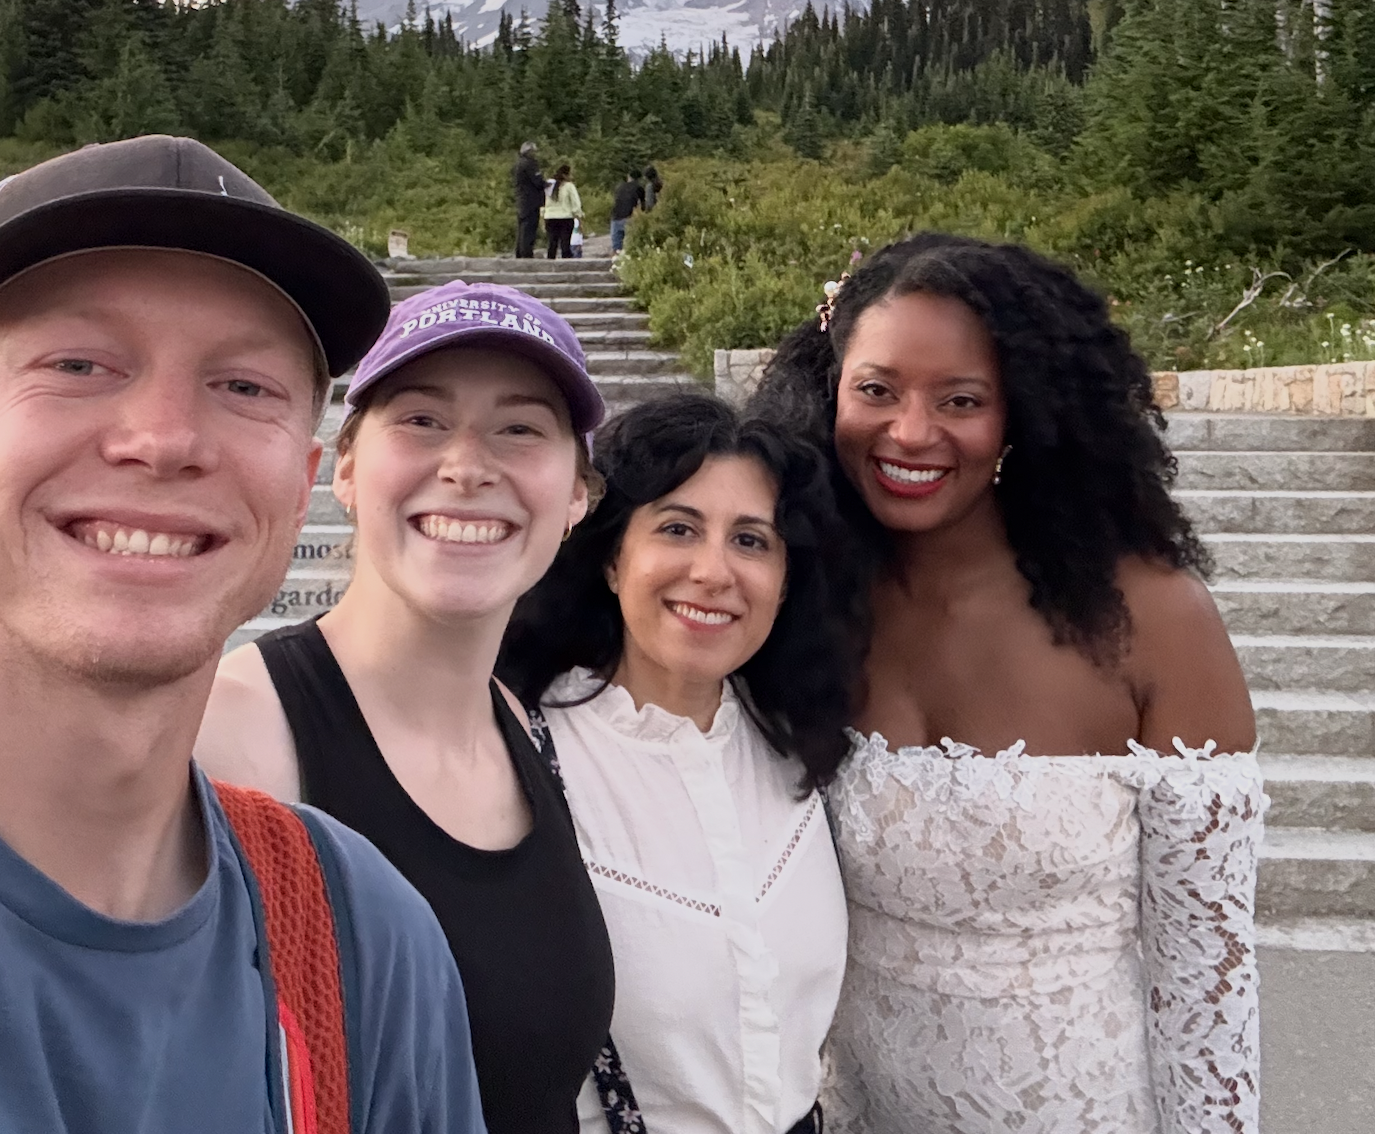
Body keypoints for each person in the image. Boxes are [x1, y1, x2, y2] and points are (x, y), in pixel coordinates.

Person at [0, 136, 485, 1134]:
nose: (164, 438)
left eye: (244, 385)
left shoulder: (360, 942)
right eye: (77, 363)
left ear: (297, 496)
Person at [751, 232, 1264, 1134]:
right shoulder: (798, 601)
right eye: (875, 390)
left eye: (960, 400)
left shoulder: (1152, 620)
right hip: (853, 1109)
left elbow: (1205, 976)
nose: (909, 433)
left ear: (1022, 411)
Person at [198, 281, 616, 1134]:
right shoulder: (229, 737)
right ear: (345, 469)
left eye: (521, 428)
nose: (466, 464)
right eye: (422, 420)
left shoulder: (515, 724)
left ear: (576, 496)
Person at [500, 392, 866, 1134]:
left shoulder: (800, 743)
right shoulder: (515, 753)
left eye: (751, 541)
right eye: (677, 528)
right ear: (611, 558)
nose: (712, 572)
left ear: (786, 579)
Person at [513, 140, 547, 258]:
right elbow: (537, 181)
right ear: (530, 151)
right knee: (529, 228)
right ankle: (527, 253)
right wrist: (546, 184)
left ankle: (519, 252)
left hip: (521, 199)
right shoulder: (530, 164)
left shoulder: (518, 163)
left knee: (522, 227)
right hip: (531, 200)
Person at [543, 163, 583, 260]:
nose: (571, 177)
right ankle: (566, 262)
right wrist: (578, 216)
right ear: (565, 175)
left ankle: (550, 262)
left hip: (550, 217)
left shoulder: (549, 185)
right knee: (565, 242)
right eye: (570, 174)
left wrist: (543, 215)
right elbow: (575, 203)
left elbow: (543, 201)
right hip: (565, 217)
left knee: (552, 242)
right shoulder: (569, 186)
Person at [609, 171, 643, 254]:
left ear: (629, 177)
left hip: (616, 217)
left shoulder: (619, 187)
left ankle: (616, 263)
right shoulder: (639, 188)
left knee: (616, 248)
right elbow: (642, 205)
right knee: (630, 248)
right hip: (629, 217)